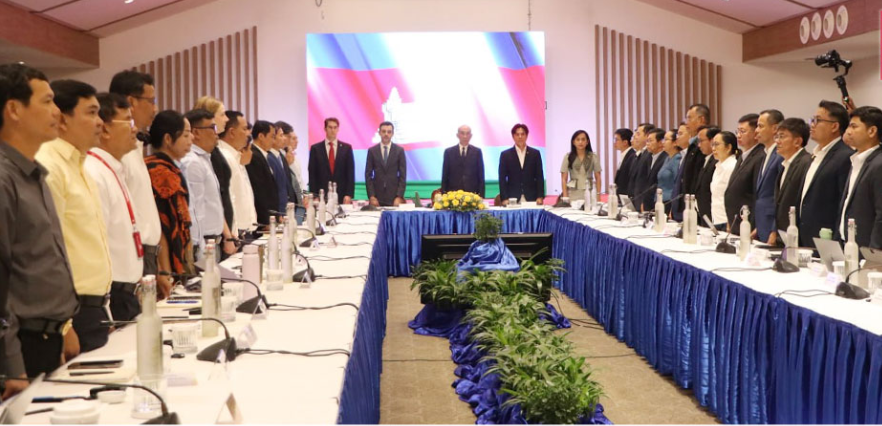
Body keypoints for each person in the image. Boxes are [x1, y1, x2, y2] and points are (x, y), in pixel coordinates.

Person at [0, 64, 78, 393]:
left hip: (45, 338)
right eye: (47, 101)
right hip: (19, 348)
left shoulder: (33, 174)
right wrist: (11, 365)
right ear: (14, 109)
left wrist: (62, 327)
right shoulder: (4, 179)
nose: (57, 111)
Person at [35, 80, 111, 353]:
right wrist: (64, 325)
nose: (100, 122)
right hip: (72, 312)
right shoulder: (49, 166)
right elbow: (46, 252)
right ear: (62, 119)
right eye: (91, 113)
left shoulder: (80, 165)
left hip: (94, 307)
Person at [83, 93, 144, 322]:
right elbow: (97, 246)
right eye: (128, 121)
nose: (134, 129)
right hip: (112, 296)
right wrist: (105, 308)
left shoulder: (112, 168)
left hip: (127, 291)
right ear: (106, 129)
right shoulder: (94, 172)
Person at [109, 71, 169, 297]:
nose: (155, 109)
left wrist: (160, 266)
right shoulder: (117, 154)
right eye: (151, 101)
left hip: (148, 255)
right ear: (131, 102)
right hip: (133, 257)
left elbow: (145, 208)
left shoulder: (135, 147)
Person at [181, 109, 236, 260]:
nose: (216, 133)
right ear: (196, 132)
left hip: (212, 242)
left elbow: (213, 203)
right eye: (212, 128)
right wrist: (197, 248)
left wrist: (227, 235)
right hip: (202, 245)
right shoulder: (192, 162)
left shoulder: (204, 159)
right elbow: (193, 210)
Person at [798, 100, 854, 247]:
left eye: (818, 120)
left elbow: (842, 203)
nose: (812, 124)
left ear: (834, 126)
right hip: (805, 237)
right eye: (812, 120)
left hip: (826, 238)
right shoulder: (815, 155)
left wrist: (835, 240)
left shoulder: (845, 156)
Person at [146, 111, 194, 276]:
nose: (191, 139)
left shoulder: (169, 167)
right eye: (185, 135)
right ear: (168, 139)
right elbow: (164, 224)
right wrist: (165, 271)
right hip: (165, 259)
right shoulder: (161, 172)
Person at [834, 106, 882, 247]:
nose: (848, 131)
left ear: (872, 131)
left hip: (867, 248)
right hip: (848, 243)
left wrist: (874, 252)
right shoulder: (856, 160)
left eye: (854, 126)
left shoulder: (879, 164)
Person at [194, 96, 234, 234]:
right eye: (222, 114)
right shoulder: (206, 153)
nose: (226, 119)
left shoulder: (215, 150)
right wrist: (227, 233)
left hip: (223, 228)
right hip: (215, 231)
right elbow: (215, 197)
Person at [725, 113, 765, 235]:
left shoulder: (760, 157)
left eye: (743, 131)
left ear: (755, 133)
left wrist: (755, 226)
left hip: (748, 223)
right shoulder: (743, 156)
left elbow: (757, 194)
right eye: (737, 131)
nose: (738, 135)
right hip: (736, 222)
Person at [774, 118, 812, 244]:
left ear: (797, 141)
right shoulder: (785, 165)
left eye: (782, 136)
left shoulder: (806, 162)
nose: (777, 141)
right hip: (784, 234)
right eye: (776, 136)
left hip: (798, 236)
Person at [217, 111, 256, 235]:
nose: (248, 133)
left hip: (244, 229)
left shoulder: (236, 154)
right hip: (235, 231)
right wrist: (232, 234)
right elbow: (230, 197)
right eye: (244, 129)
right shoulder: (224, 156)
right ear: (232, 132)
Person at [671, 104, 710, 221]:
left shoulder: (704, 145)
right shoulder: (692, 144)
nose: (686, 122)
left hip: (697, 208)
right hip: (685, 205)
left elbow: (697, 180)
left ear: (701, 119)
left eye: (689, 118)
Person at [753, 109, 785, 244]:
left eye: (760, 126)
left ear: (774, 129)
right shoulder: (766, 154)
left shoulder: (780, 155)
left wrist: (774, 229)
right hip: (762, 223)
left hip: (772, 224)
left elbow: (781, 196)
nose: (756, 130)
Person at [308, 117, 354, 204]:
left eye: (335, 127)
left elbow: (350, 173)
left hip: (341, 195)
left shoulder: (346, 148)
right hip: (322, 195)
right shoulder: (316, 149)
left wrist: (349, 194)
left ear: (338, 129)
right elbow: (312, 174)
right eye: (330, 127)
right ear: (325, 129)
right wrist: (315, 195)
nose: (333, 130)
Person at [498, 123, 545, 205]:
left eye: (522, 134)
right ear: (513, 136)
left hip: (532, 197)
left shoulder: (535, 154)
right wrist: (504, 198)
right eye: (517, 134)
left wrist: (540, 196)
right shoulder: (505, 155)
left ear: (526, 136)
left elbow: (539, 176)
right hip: (512, 198)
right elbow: (502, 178)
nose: (520, 137)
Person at [245, 120, 280, 226]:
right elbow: (259, 191)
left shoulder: (263, 155)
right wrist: (266, 220)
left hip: (270, 215)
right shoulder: (254, 156)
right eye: (272, 136)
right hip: (263, 219)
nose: (273, 141)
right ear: (261, 136)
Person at [365, 121, 407, 206]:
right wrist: (372, 196)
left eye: (389, 132)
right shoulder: (372, 151)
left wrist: (399, 196)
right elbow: (368, 175)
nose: (386, 134)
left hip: (394, 197)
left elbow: (403, 175)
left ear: (392, 134)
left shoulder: (399, 151)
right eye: (383, 131)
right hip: (376, 197)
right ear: (379, 133)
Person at [441, 125, 485, 197]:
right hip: (453, 194)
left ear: (471, 136)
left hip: (472, 193)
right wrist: (444, 194)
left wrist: (481, 195)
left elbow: (481, 175)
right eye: (462, 133)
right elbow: (445, 175)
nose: (465, 136)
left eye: (467, 133)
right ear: (457, 135)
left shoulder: (477, 152)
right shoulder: (449, 152)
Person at [560, 130, 601, 202]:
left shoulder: (593, 156)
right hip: (573, 193)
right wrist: (565, 196)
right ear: (573, 142)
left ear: (587, 142)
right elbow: (564, 179)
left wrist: (598, 195)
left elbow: (598, 177)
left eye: (583, 139)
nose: (580, 142)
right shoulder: (568, 157)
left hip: (590, 192)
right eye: (578, 139)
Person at [269, 122, 299, 213]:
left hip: (288, 206)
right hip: (278, 209)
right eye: (281, 135)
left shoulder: (281, 156)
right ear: (273, 138)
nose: (285, 139)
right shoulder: (269, 157)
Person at [710, 130, 738, 228]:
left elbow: (733, 197)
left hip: (726, 221)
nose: (713, 148)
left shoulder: (732, 166)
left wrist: (729, 221)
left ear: (728, 147)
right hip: (716, 219)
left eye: (717, 144)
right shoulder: (718, 166)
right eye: (712, 144)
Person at [636, 128, 668, 211]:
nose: (647, 144)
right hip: (647, 203)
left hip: (660, 203)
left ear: (660, 143)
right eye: (647, 141)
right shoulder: (649, 157)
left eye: (650, 141)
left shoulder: (666, 158)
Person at [694, 126, 719, 223]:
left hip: (713, 214)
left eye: (701, 141)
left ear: (712, 141)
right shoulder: (706, 159)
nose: (699, 145)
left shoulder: (717, 161)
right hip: (703, 213)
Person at [627, 123, 654, 201]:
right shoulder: (640, 154)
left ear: (647, 136)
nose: (635, 136)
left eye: (638, 134)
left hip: (642, 200)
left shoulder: (649, 154)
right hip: (635, 198)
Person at [657, 129, 682, 211]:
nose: (663, 142)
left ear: (675, 143)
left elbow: (677, 184)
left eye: (666, 139)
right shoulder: (667, 158)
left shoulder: (677, 159)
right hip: (661, 200)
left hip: (670, 202)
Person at [612, 128, 636, 195]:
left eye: (616, 140)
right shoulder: (625, 154)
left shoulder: (632, 156)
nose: (614, 142)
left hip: (626, 195)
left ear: (625, 142)